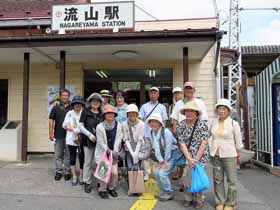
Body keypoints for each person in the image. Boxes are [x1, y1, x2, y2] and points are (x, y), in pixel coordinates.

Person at [209, 98, 243, 210]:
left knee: (231, 180)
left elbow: (238, 142)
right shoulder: (213, 122)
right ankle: (220, 201)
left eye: (224, 109)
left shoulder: (234, 124)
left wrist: (238, 155)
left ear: (228, 111)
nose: (221, 111)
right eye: (219, 108)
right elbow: (207, 136)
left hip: (230, 155)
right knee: (217, 180)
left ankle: (230, 203)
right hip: (216, 155)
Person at [177, 101, 209, 209]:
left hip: (201, 156)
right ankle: (188, 198)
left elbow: (204, 142)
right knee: (186, 177)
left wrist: (195, 160)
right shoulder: (181, 125)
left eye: (192, 111)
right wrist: (189, 158)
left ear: (196, 113)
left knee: (197, 176)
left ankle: (200, 199)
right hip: (188, 156)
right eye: (187, 111)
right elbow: (181, 143)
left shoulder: (202, 125)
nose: (189, 113)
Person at [147, 112, 178, 201]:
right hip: (162, 157)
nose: (153, 123)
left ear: (160, 123)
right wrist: (160, 161)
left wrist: (165, 162)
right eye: (151, 122)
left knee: (162, 173)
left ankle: (169, 192)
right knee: (156, 172)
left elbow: (168, 148)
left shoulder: (166, 132)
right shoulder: (152, 132)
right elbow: (156, 148)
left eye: (155, 121)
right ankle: (163, 191)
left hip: (171, 155)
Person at [139, 87, 168, 181]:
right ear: (149, 95)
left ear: (158, 95)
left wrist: (163, 135)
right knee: (146, 155)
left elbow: (164, 121)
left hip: (158, 136)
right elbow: (140, 120)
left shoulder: (162, 107)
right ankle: (147, 173)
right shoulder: (144, 106)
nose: (153, 95)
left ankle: (157, 172)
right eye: (151, 93)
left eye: (155, 93)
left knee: (158, 154)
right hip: (147, 135)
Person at [95, 104, 123, 199]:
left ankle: (111, 188)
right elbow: (100, 142)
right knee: (103, 171)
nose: (110, 115)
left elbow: (118, 139)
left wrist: (114, 152)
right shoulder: (99, 127)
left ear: (115, 115)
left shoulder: (119, 125)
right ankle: (102, 189)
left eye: (112, 113)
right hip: (103, 152)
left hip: (114, 152)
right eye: (108, 113)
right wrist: (108, 150)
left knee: (114, 173)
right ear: (104, 115)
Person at [79, 93, 103, 193]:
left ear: (100, 103)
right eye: (93, 101)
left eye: (97, 101)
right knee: (87, 162)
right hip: (88, 141)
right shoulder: (85, 112)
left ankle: (100, 182)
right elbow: (80, 126)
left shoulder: (102, 114)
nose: (95, 102)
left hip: (100, 142)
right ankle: (87, 182)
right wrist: (89, 135)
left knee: (99, 163)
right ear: (90, 102)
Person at [49, 88, 72, 181]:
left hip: (70, 135)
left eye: (66, 95)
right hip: (58, 134)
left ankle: (67, 172)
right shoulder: (56, 107)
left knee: (68, 154)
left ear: (69, 96)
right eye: (63, 95)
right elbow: (51, 120)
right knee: (58, 154)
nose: (65, 97)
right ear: (60, 96)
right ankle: (58, 171)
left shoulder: (72, 106)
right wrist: (50, 132)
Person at [123, 104, 145, 195]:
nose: (131, 115)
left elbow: (140, 140)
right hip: (129, 149)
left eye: (133, 113)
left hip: (139, 148)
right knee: (129, 167)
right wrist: (132, 153)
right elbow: (126, 139)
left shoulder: (141, 124)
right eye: (129, 113)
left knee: (138, 167)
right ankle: (132, 188)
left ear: (137, 114)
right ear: (127, 114)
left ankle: (138, 188)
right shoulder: (124, 124)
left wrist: (136, 153)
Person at [62, 96, 85, 186]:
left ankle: (81, 176)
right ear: (73, 104)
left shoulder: (84, 113)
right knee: (72, 157)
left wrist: (80, 130)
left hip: (82, 139)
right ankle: (74, 176)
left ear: (82, 104)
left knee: (82, 158)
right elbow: (64, 125)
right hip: (71, 139)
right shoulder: (70, 113)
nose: (77, 105)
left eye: (79, 103)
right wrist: (73, 129)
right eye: (76, 103)